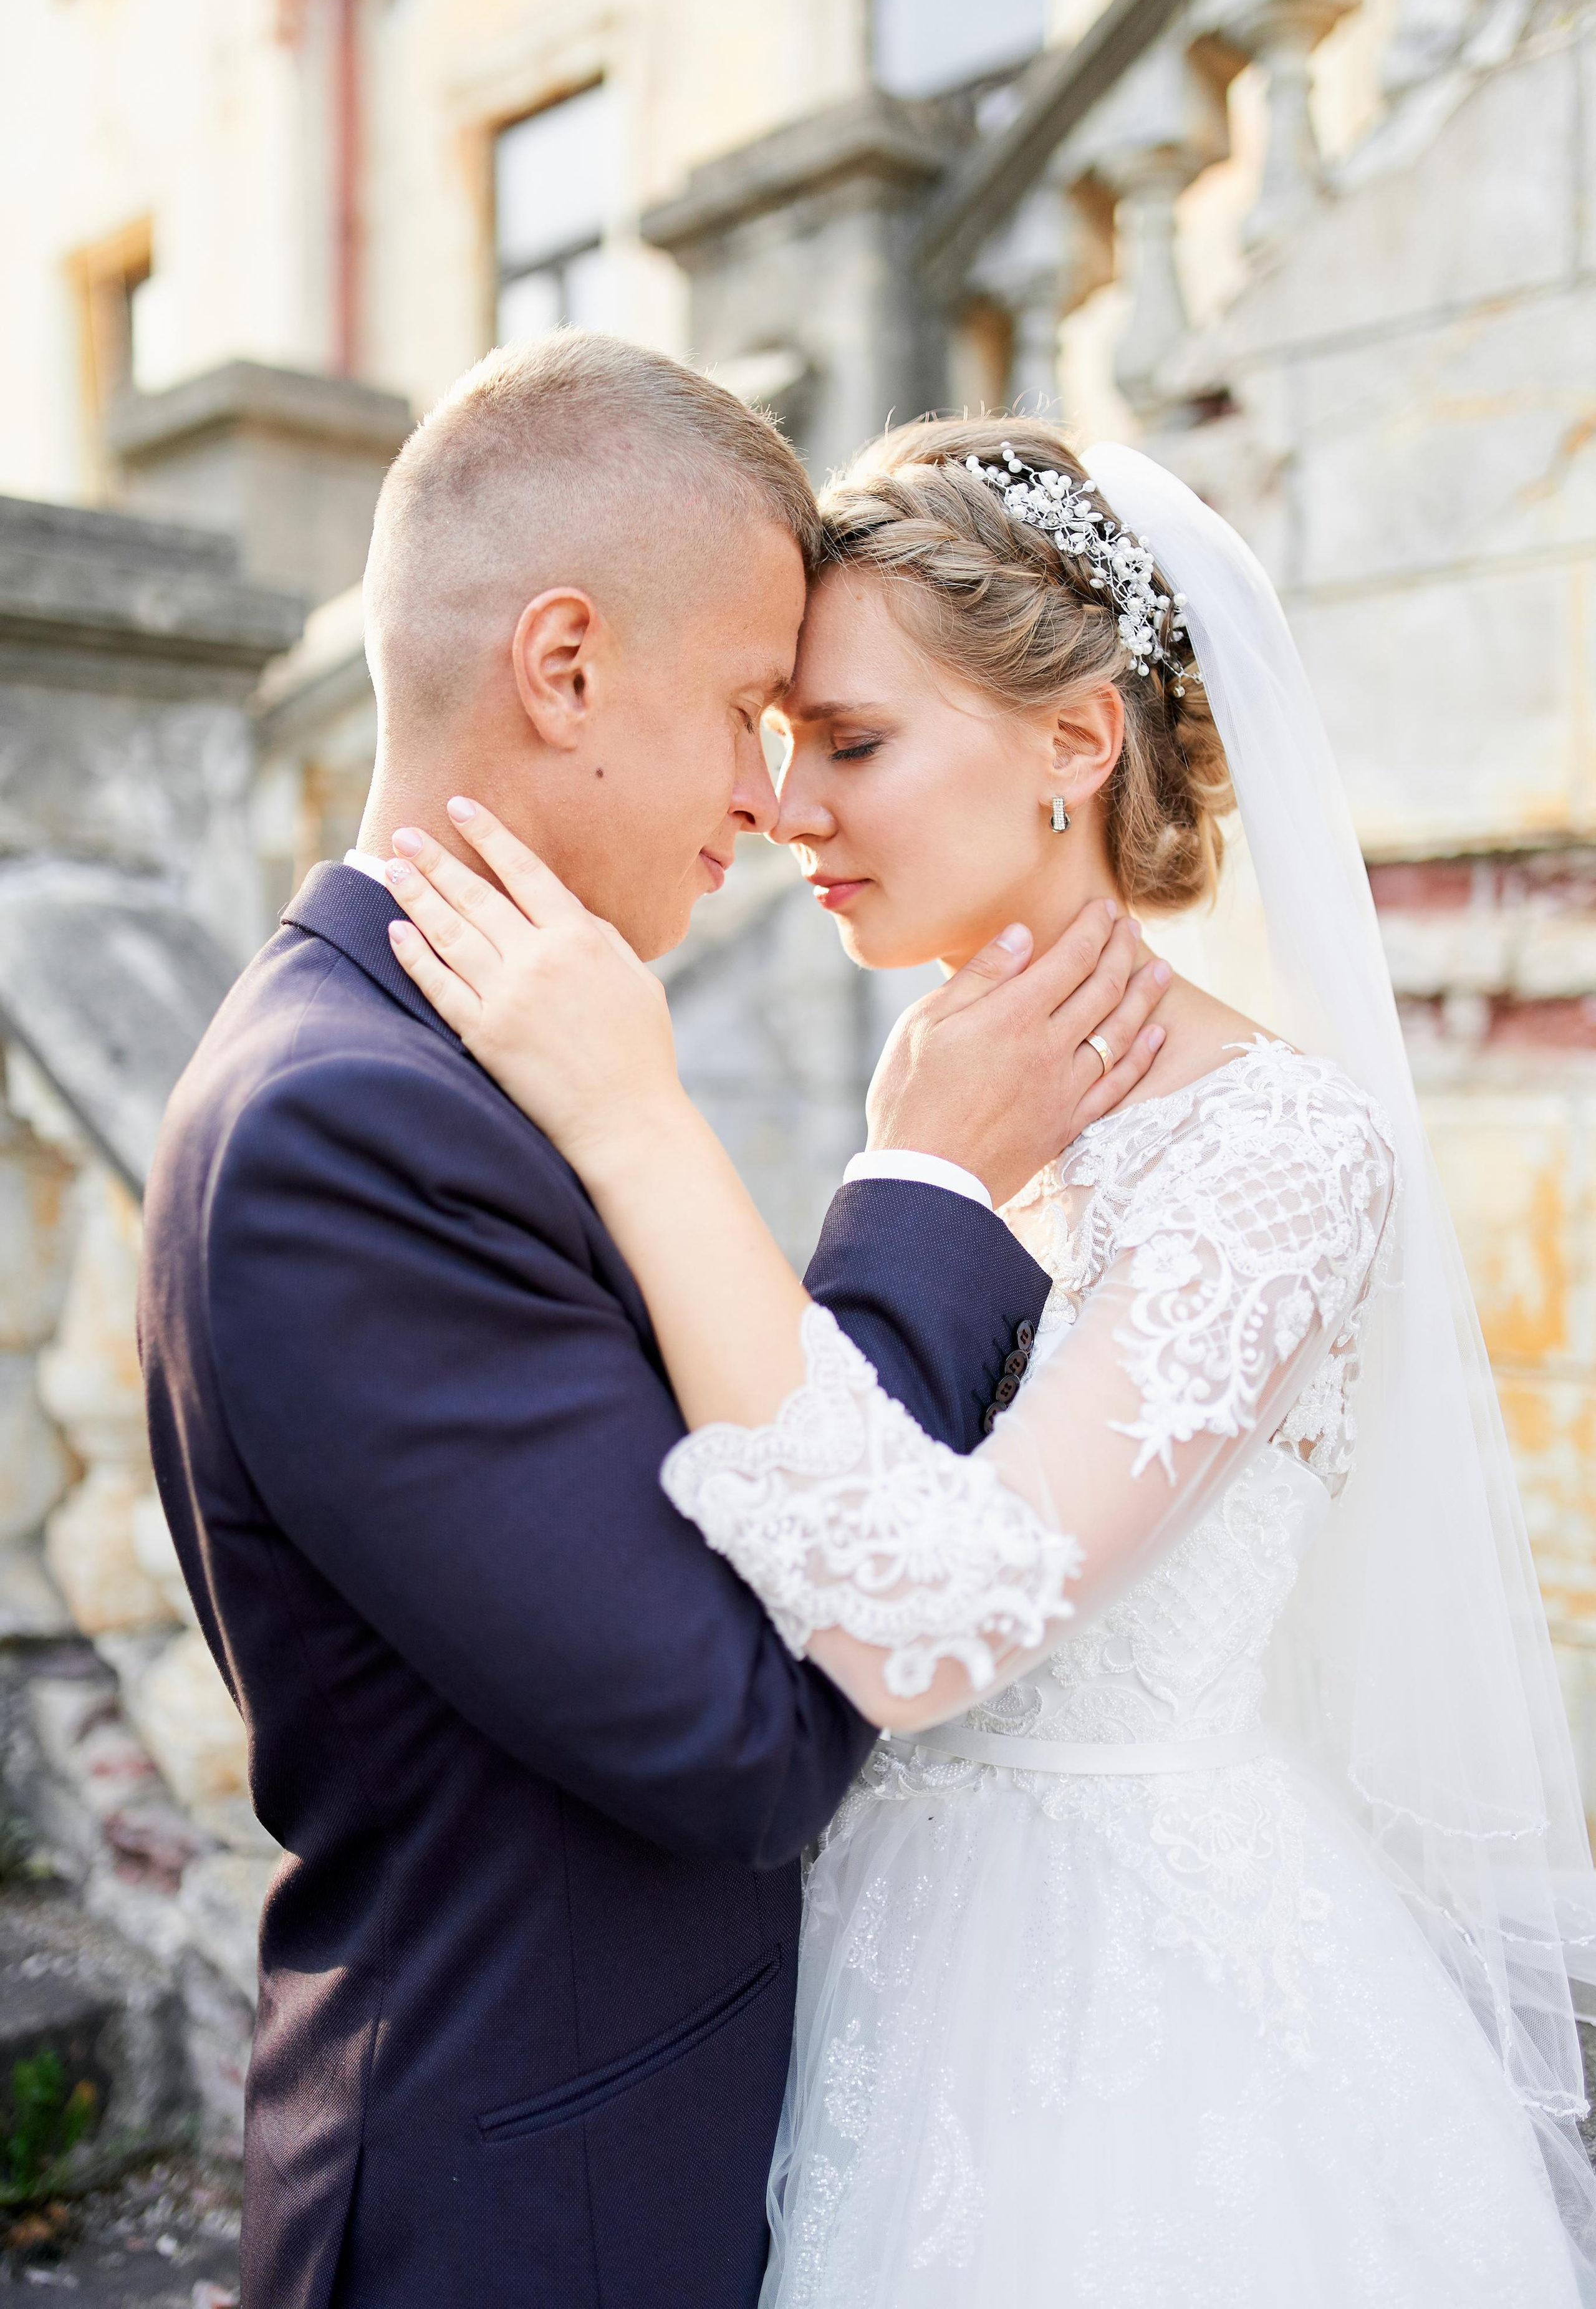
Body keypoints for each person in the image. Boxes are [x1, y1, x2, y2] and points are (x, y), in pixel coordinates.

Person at [387, 417, 1596, 2304]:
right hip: (867, 1970)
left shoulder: (1278, 1151)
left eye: (852, 743)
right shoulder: (946, 1098)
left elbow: (928, 1616)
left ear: (1077, 741)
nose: (788, 810)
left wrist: (635, 1123)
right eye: (781, 743)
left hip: (1140, 2057)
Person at [138, 345, 1170, 2309]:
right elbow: (739, 1736)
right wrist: (924, 1193)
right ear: (563, 667)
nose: (773, 797)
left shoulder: (463, 1049)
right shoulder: (337, 1125)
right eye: (749, 709)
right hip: (526, 2219)